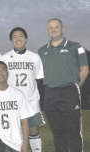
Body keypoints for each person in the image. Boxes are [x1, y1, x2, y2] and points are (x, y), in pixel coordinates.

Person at [38, 18, 89, 152]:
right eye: (50, 27)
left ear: (63, 29)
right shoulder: (42, 51)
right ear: (47, 31)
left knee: (73, 131)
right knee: (58, 133)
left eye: (56, 27)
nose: (53, 29)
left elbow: (84, 69)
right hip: (50, 93)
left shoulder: (76, 47)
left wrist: (75, 87)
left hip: (70, 91)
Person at [2, 27, 45, 152]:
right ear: (11, 41)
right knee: (15, 132)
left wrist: (36, 98)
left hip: (30, 101)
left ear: (26, 39)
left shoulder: (35, 57)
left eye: (21, 36)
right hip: (12, 101)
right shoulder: (4, 58)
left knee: (33, 130)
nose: (18, 38)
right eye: (14, 36)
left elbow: (39, 80)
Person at [0, 61, 34, 152]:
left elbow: (24, 120)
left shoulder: (18, 94)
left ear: (8, 73)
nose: (0, 72)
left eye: (3, 70)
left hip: (16, 141)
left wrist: (25, 144)